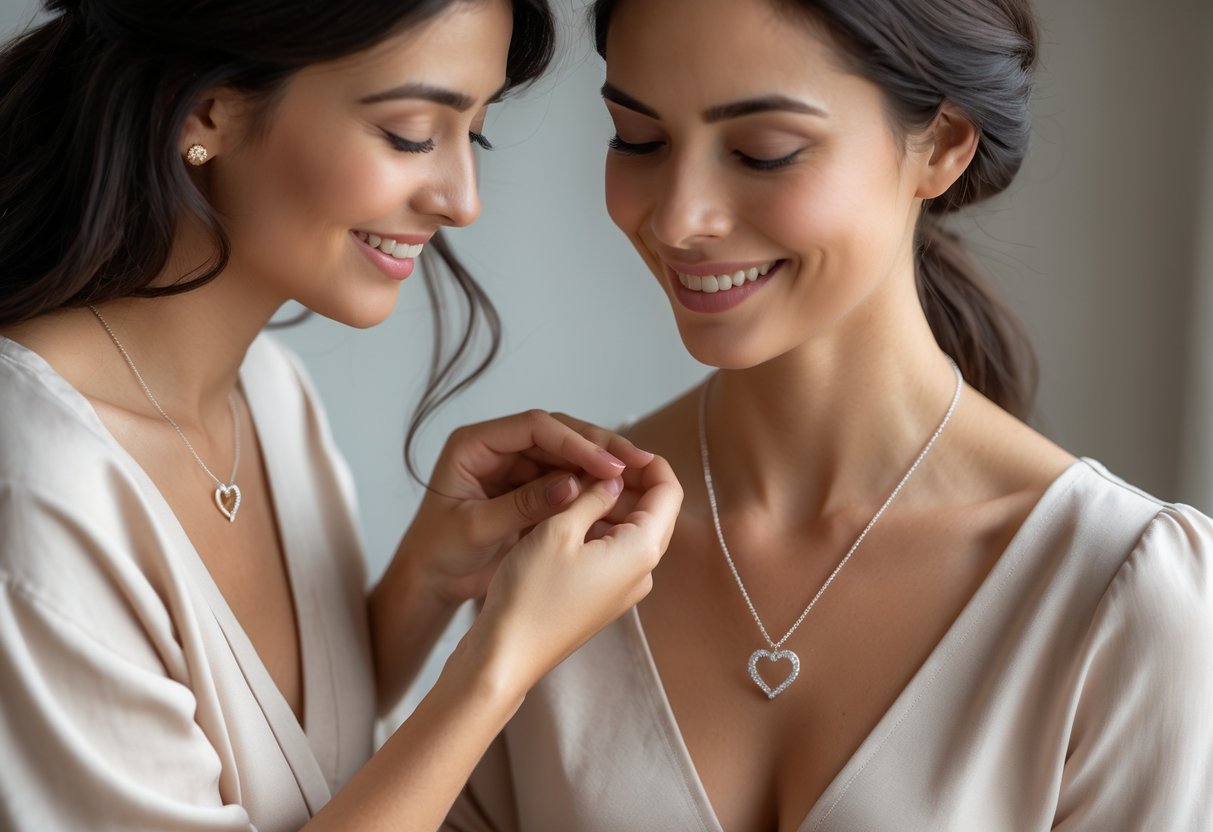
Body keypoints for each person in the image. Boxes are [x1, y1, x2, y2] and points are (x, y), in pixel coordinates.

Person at [443, 0, 1213, 830]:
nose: (676, 219)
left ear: (942, 145)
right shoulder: (559, 539)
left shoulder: (1121, 595)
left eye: (762, 152)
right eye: (639, 139)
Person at [0, 0, 683, 830]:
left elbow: (296, 764)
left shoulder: (268, 394)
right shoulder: (37, 484)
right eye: (409, 134)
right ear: (206, 112)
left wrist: (428, 578)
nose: (461, 200)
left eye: (474, 135)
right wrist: (501, 663)